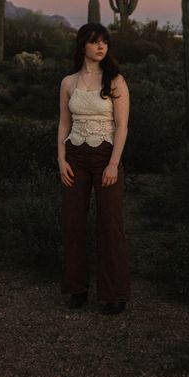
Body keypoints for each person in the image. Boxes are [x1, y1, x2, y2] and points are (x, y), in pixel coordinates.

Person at [57, 22, 131, 315]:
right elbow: (64, 123)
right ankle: (76, 289)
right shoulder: (68, 82)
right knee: (72, 222)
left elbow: (122, 126)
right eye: (94, 41)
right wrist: (61, 159)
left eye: (104, 42)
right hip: (74, 155)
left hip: (105, 157)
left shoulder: (115, 81)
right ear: (82, 46)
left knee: (110, 225)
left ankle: (114, 294)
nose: (101, 47)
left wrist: (114, 163)